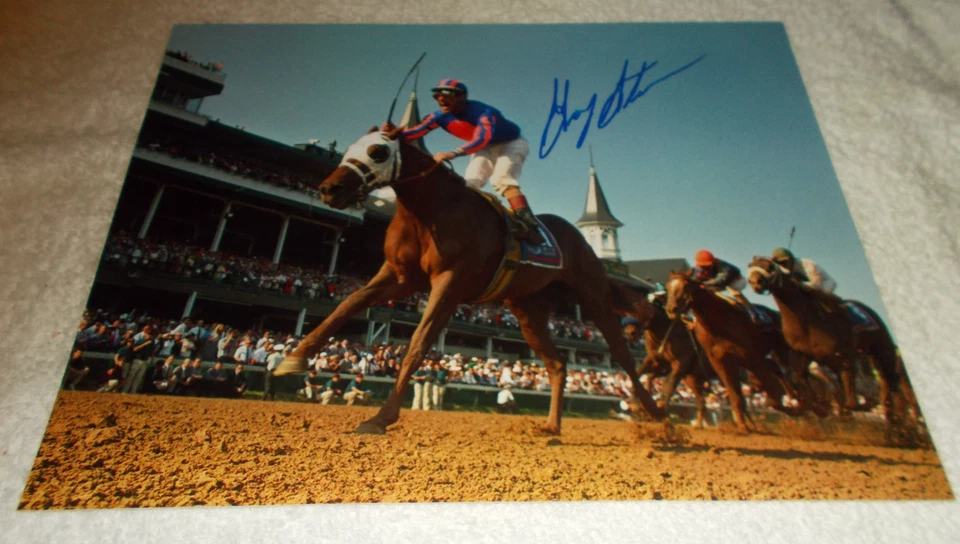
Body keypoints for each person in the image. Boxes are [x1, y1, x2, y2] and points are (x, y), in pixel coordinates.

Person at [395, 78, 544, 244]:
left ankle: (529, 226)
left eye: (447, 94)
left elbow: (482, 138)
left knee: (502, 179)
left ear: (462, 96)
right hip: (486, 147)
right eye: (436, 95)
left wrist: (452, 153)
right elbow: (415, 132)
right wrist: (393, 134)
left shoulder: (484, 112)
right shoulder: (437, 116)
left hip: (511, 143)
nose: (441, 99)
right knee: (469, 185)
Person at [771, 248, 838, 295]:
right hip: (807, 282)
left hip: (825, 284)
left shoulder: (809, 265)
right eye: (779, 263)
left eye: (784, 262)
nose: (782, 265)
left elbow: (817, 285)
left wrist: (800, 283)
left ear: (791, 259)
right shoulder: (783, 267)